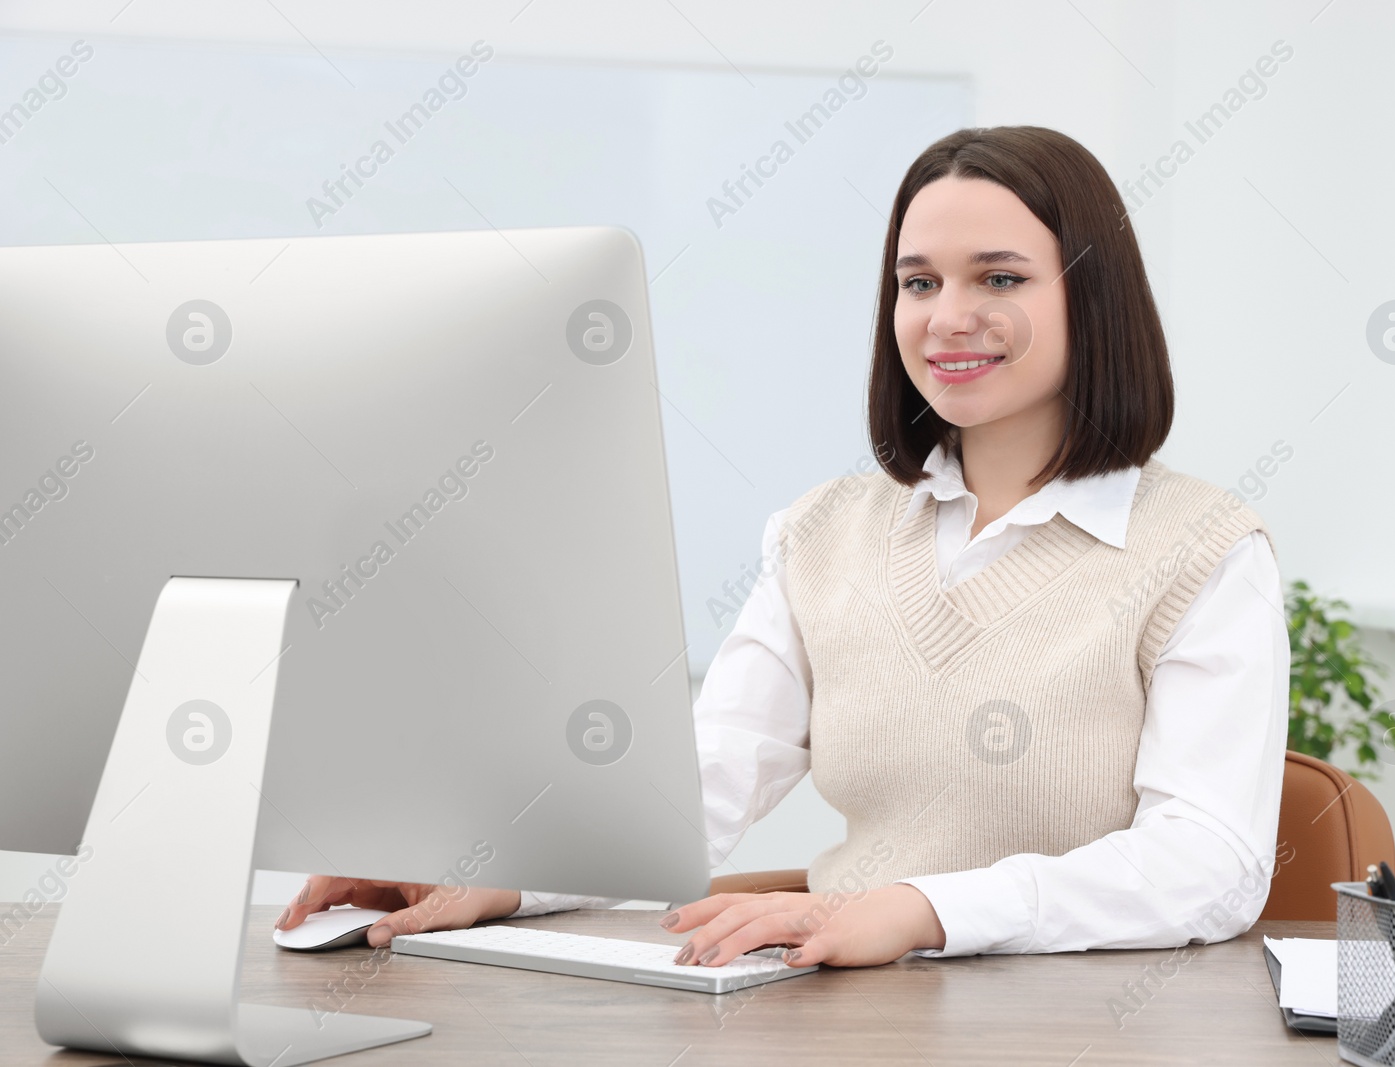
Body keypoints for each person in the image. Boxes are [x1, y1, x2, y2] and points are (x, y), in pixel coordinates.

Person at [276, 125, 1290, 971]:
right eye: (917, 280)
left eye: (1000, 276)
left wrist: (922, 908)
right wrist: (494, 868)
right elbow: (696, 786)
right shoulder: (822, 534)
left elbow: (1208, 862)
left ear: (1092, 297)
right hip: (845, 1015)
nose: (947, 317)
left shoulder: (1202, 551)